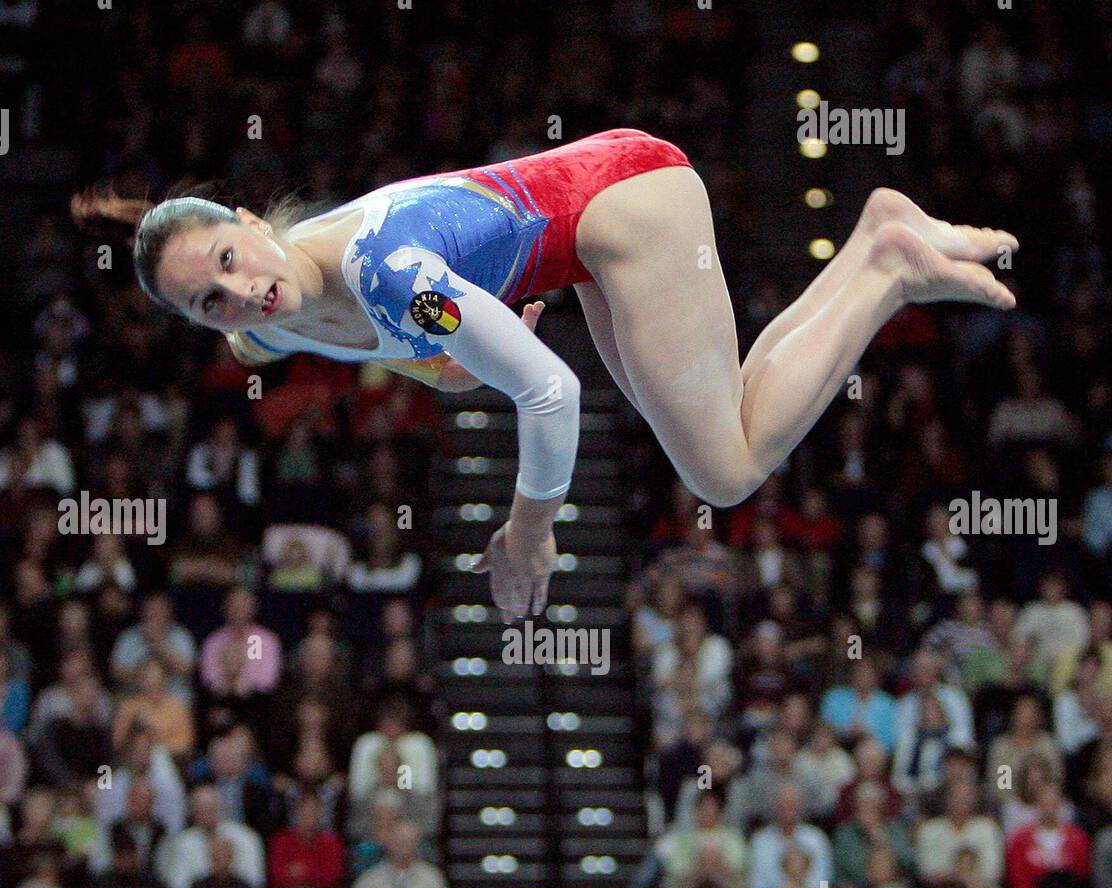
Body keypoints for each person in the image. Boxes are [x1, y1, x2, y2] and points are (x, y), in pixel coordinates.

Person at [74, 146, 1016, 622]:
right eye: (210, 303)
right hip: (575, 243)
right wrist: (448, 363)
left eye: (233, 259)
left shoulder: (379, 270)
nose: (241, 292)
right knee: (717, 433)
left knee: (724, 470)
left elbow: (550, 392)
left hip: (621, 206)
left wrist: (529, 533)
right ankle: (877, 240)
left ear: (250, 219)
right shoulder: (269, 326)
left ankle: (888, 265)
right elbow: (426, 353)